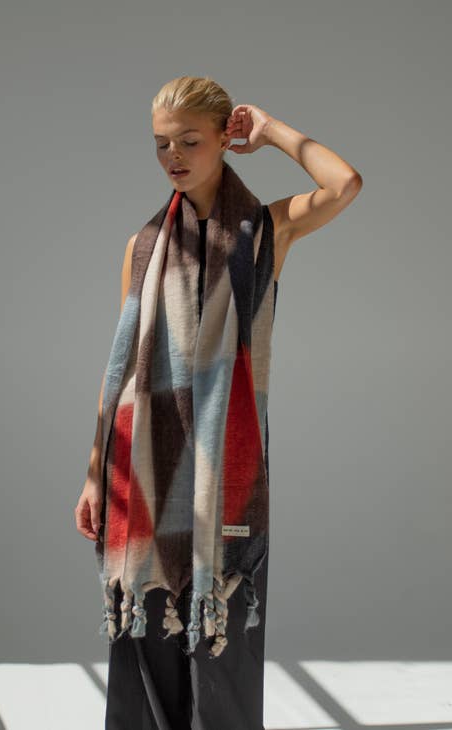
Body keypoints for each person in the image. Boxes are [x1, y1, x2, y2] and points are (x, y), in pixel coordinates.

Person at [74, 75, 362, 729]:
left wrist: (273, 131)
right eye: (161, 143)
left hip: (222, 479)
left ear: (224, 141)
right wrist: (93, 473)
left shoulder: (265, 231)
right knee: (146, 645)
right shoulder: (142, 248)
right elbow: (120, 369)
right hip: (142, 473)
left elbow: (344, 184)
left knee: (221, 652)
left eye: (189, 141)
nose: (172, 156)